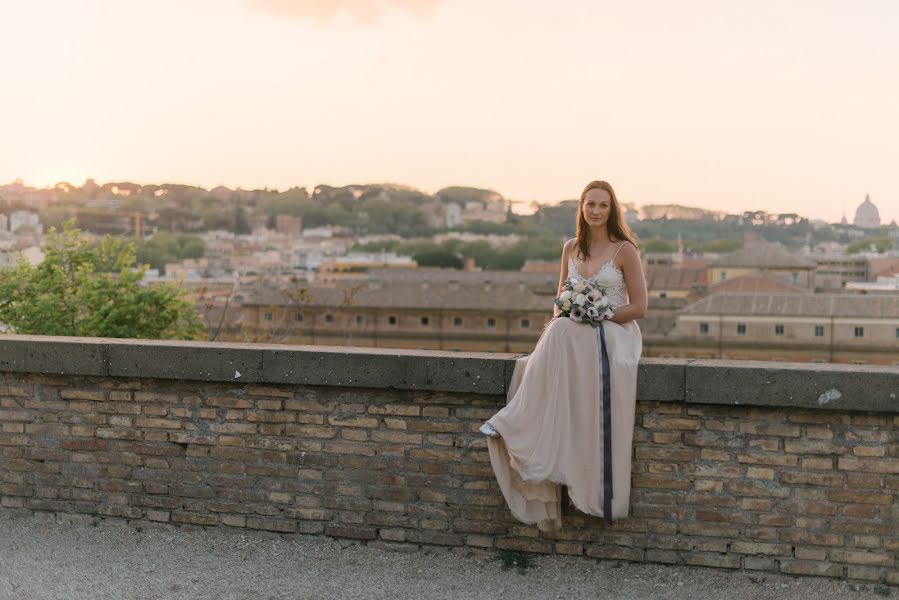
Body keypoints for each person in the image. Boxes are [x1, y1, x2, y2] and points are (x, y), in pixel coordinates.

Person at [479, 180, 647, 531]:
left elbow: (639, 307)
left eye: (603, 205)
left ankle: (513, 420)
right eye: (591, 205)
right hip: (574, 332)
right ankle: (521, 425)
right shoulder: (570, 248)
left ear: (612, 210)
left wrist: (599, 312)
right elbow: (559, 303)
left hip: (615, 332)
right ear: (581, 209)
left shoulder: (625, 250)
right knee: (558, 329)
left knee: (562, 330)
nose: (597, 211)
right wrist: (575, 310)